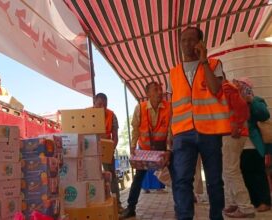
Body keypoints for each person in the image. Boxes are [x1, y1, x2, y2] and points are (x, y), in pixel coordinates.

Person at [169, 27, 231, 220]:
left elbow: (215, 89)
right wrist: (170, 135)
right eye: (183, 40)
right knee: (181, 181)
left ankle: (216, 217)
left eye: (191, 40)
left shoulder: (213, 64)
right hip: (182, 133)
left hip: (209, 131)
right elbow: (172, 106)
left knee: (214, 181)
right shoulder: (173, 72)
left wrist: (203, 60)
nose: (186, 44)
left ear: (200, 43)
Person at [121, 81, 172, 219]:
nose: (160, 92)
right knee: (138, 178)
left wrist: (168, 150)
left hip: (163, 150)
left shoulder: (169, 107)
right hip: (145, 150)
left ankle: (182, 206)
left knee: (177, 176)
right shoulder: (140, 108)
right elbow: (135, 129)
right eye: (155, 90)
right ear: (147, 94)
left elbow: (170, 131)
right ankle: (131, 208)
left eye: (160, 89)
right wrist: (132, 147)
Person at [221, 79, 255, 218]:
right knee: (228, 170)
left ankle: (245, 207)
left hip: (233, 133)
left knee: (231, 170)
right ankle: (235, 202)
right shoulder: (227, 87)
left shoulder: (225, 87)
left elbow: (242, 108)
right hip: (231, 133)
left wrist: (237, 125)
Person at [237, 77, 272, 212]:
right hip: (239, 145)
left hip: (253, 144)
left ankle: (264, 201)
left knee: (257, 173)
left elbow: (264, 115)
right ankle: (253, 201)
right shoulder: (235, 101)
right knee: (245, 174)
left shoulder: (257, 100)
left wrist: (251, 101)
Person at [93, 93, 123, 212]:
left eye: (104, 105)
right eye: (99, 104)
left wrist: (111, 148)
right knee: (93, 176)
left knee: (111, 176)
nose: (102, 108)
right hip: (92, 150)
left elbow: (115, 137)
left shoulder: (111, 115)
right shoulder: (87, 114)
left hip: (107, 149)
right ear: (94, 103)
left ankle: (118, 205)